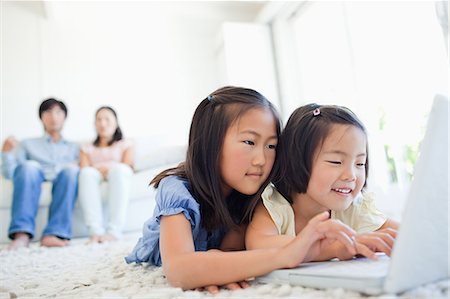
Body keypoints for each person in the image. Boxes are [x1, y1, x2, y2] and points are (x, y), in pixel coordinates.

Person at [125, 87, 359, 292]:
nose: (262, 159)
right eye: (249, 142)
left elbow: (235, 251)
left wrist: (218, 266)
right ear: (210, 143)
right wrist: (282, 256)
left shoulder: (255, 194)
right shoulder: (177, 190)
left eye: (271, 146)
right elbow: (178, 269)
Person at [246, 103, 399, 262]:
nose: (351, 176)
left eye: (360, 164)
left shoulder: (354, 208)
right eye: (336, 162)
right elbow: (258, 246)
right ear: (297, 161)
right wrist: (334, 248)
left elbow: (410, 235)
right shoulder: (275, 205)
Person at [1, 98, 79, 250]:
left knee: (70, 171)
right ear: (41, 117)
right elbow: (12, 174)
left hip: (62, 179)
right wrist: (5, 154)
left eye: (58, 112)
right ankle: (21, 234)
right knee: (29, 167)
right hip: (34, 176)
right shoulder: (27, 144)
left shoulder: (74, 148)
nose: (53, 117)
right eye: (48, 112)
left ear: (64, 117)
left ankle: (54, 233)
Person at [78, 106, 134, 243]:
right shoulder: (86, 148)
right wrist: (100, 171)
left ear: (116, 122)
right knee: (86, 173)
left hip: (117, 174)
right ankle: (95, 231)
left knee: (119, 170)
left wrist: (109, 169)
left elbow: (127, 165)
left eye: (107, 119)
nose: (103, 123)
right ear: (94, 124)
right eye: (99, 120)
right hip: (95, 175)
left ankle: (114, 231)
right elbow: (84, 168)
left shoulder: (126, 144)